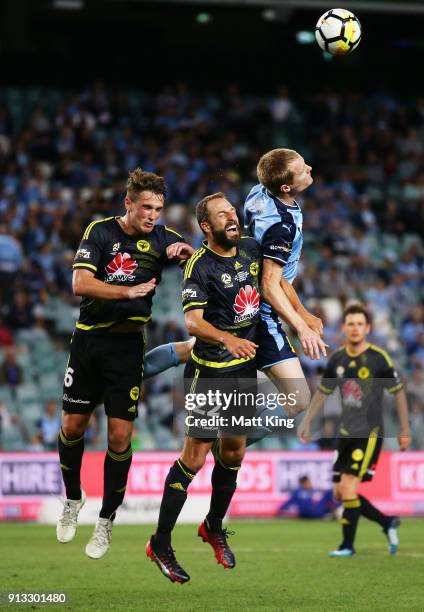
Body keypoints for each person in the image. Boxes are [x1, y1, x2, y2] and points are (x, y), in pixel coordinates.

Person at [56, 168, 194, 559]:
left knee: (118, 438)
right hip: (88, 340)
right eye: (146, 207)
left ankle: (105, 521)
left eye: (159, 209)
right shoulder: (99, 232)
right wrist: (125, 290)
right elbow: (80, 284)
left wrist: (182, 253)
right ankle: (72, 499)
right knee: (72, 426)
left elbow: (190, 255)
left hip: (127, 347)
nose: (153, 215)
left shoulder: (164, 238)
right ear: (128, 204)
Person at [146, 192, 260, 584]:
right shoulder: (200, 265)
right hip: (210, 372)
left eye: (233, 210)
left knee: (234, 450)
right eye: (222, 214)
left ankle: (213, 526)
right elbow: (193, 322)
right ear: (207, 227)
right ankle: (160, 543)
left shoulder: (250, 249)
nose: (232, 217)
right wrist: (227, 339)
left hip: (243, 370)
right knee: (194, 459)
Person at [298, 303, 411, 557]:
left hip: (369, 434)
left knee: (348, 489)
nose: (355, 328)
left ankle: (347, 546)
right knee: (340, 492)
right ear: (344, 328)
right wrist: (307, 421)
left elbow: (399, 393)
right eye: (350, 323)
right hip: (345, 434)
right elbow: (323, 393)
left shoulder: (378, 358)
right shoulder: (337, 358)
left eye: (360, 324)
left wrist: (404, 428)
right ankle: (387, 522)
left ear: (368, 328)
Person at [243, 148, 327, 443]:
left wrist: (303, 313)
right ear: (286, 187)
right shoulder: (282, 226)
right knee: (298, 399)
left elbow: (278, 278)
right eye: (303, 169)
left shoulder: (258, 192)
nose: (310, 168)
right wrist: (300, 326)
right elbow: (270, 284)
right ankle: (231, 440)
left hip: (241, 297)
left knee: (195, 350)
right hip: (261, 312)